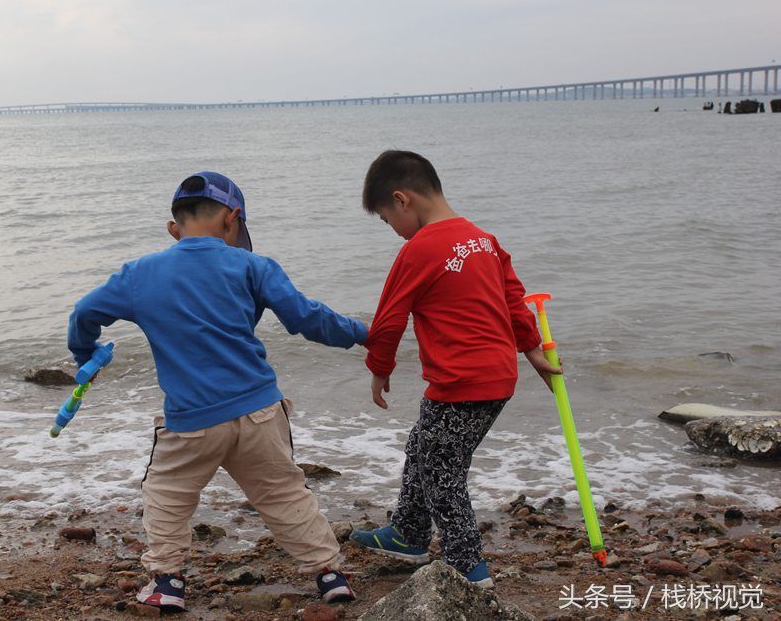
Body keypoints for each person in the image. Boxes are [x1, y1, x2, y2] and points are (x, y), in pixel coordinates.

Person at [67, 171, 365, 612]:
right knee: (284, 492)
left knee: (167, 493)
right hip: (260, 410)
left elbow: (84, 313)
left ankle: (168, 582)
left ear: (174, 228)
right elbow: (308, 319)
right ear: (234, 219)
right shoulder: (253, 266)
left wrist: (85, 355)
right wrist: (363, 333)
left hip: (191, 420)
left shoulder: (140, 275)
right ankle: (329, 574)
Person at [350, 150, 561, 588]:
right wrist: (532, 349)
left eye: (388, 221)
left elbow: (390, 316)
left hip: (460, 381)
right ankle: (407, 533)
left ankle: (470, 569)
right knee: (424, 446)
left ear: (401, 199)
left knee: (443, 473)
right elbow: (513, 298)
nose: (394, 232)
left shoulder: (420, 250)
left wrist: (379, 367)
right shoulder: (483, 239)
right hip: (497, 378)